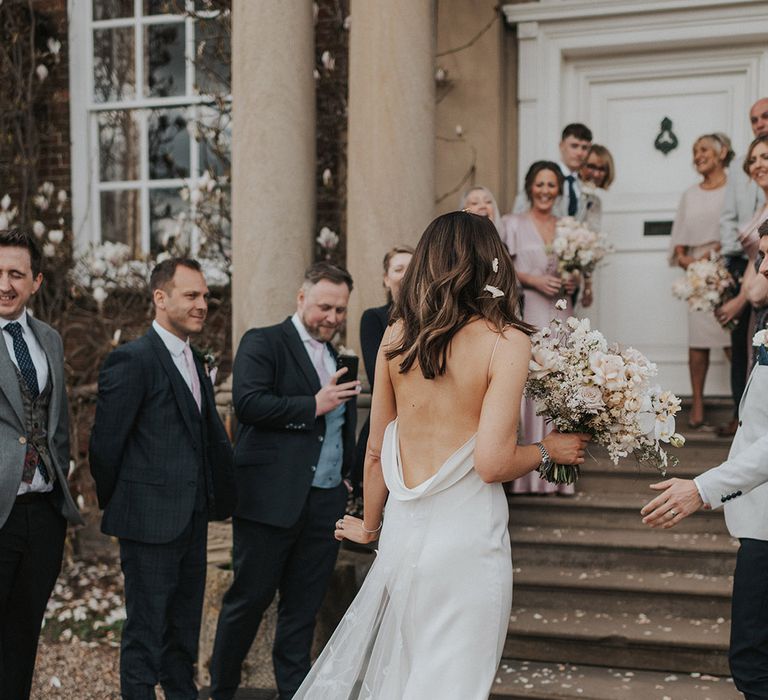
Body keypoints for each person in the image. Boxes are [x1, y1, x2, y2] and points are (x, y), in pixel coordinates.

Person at [292, 211, 588, 699]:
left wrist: (369, 526)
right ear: (491, 264)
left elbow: (374, 449)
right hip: (466, 545)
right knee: (453, 686)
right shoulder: (506, 340)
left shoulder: (396, 335)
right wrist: (546, 449)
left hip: (403, 542)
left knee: (411, 676)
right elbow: (492, 463)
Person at [210, 262, 360, 700]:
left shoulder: (339, 357)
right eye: (324, 307)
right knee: (248, 601)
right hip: (269, 501)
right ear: (301, 299)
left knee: (302, 609)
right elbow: (249, 403)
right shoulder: (264, 341)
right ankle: (221, 690)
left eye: (340, 310)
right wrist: (313, 404)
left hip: (324, 505)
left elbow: (343, 424)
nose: (332, 318)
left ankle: (294, 692)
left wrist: (346, 478)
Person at [89, 257, 236, 700]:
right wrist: (132, 504)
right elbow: (104, 447)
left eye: (205, 296)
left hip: (192, 521)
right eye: (191, 295)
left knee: (183, 632)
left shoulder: (194, 359)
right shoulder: (131, 360)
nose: (202, 304)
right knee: (145, 636)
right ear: (160, 298)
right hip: (147, 523)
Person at [641, 221, 768, 699]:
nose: (764, 268)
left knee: (753, 663)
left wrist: (701, 488)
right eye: (763, 257)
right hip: (759, 515)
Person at [0, 228, 83, 700]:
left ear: (36, 282)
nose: (5, 284)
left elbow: (59, 419)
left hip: (43, 512)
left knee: (23, 633)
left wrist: (59, 473)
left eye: (16, 274)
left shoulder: (47, 337)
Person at [503, 161, 579, 495]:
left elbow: (578, 270)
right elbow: (500, 267)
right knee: (530, 386)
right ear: (529, 186)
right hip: (530, 312)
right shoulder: (512, 224)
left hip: (564, 316)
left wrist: (574, 279)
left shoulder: (569, 227)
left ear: (559, 190)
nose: (546, 191)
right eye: (540, 184)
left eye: (552, 185)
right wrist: (532, 279)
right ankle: (526, 474)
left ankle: (559, 477)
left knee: (563, 390)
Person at [669, 133, 734, 429]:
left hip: (727, 269)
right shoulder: (689, 195)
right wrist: (691, 263)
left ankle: (743, 403)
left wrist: (716, 256)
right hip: (697, 277)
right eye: (695, 151)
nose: (698, 155)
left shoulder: (736, 189)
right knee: (698, 341)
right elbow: (678, 248)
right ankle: (697, 404)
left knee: (733, 339)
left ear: (722, 153)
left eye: (704, 149)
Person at [717, 98, 768, 437]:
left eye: (764, 158)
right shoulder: (762, 203)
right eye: (753, 160)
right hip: (756, 304)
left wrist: (745, 296)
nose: (757, 165)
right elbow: (756, 262)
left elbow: (757, 285)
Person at [352, 246, 414, 494]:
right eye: (398, 269)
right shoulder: (373, 318)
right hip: (386, 423)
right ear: (386, 279)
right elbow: (379, 376)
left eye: (412, 268)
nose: (405, 274)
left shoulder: (435, 319)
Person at [513, 123, 593, 219]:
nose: (579, 153)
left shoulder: (586, 182)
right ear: (561, 145)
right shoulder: (543, 174)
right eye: (574, 146)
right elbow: (519, 211)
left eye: (584, 148)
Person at [578, 143, 616, 234]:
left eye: (602, 169)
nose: (596, 174)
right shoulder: (568, 189)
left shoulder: (596, 201)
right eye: (591, 167)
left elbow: (594, 233)